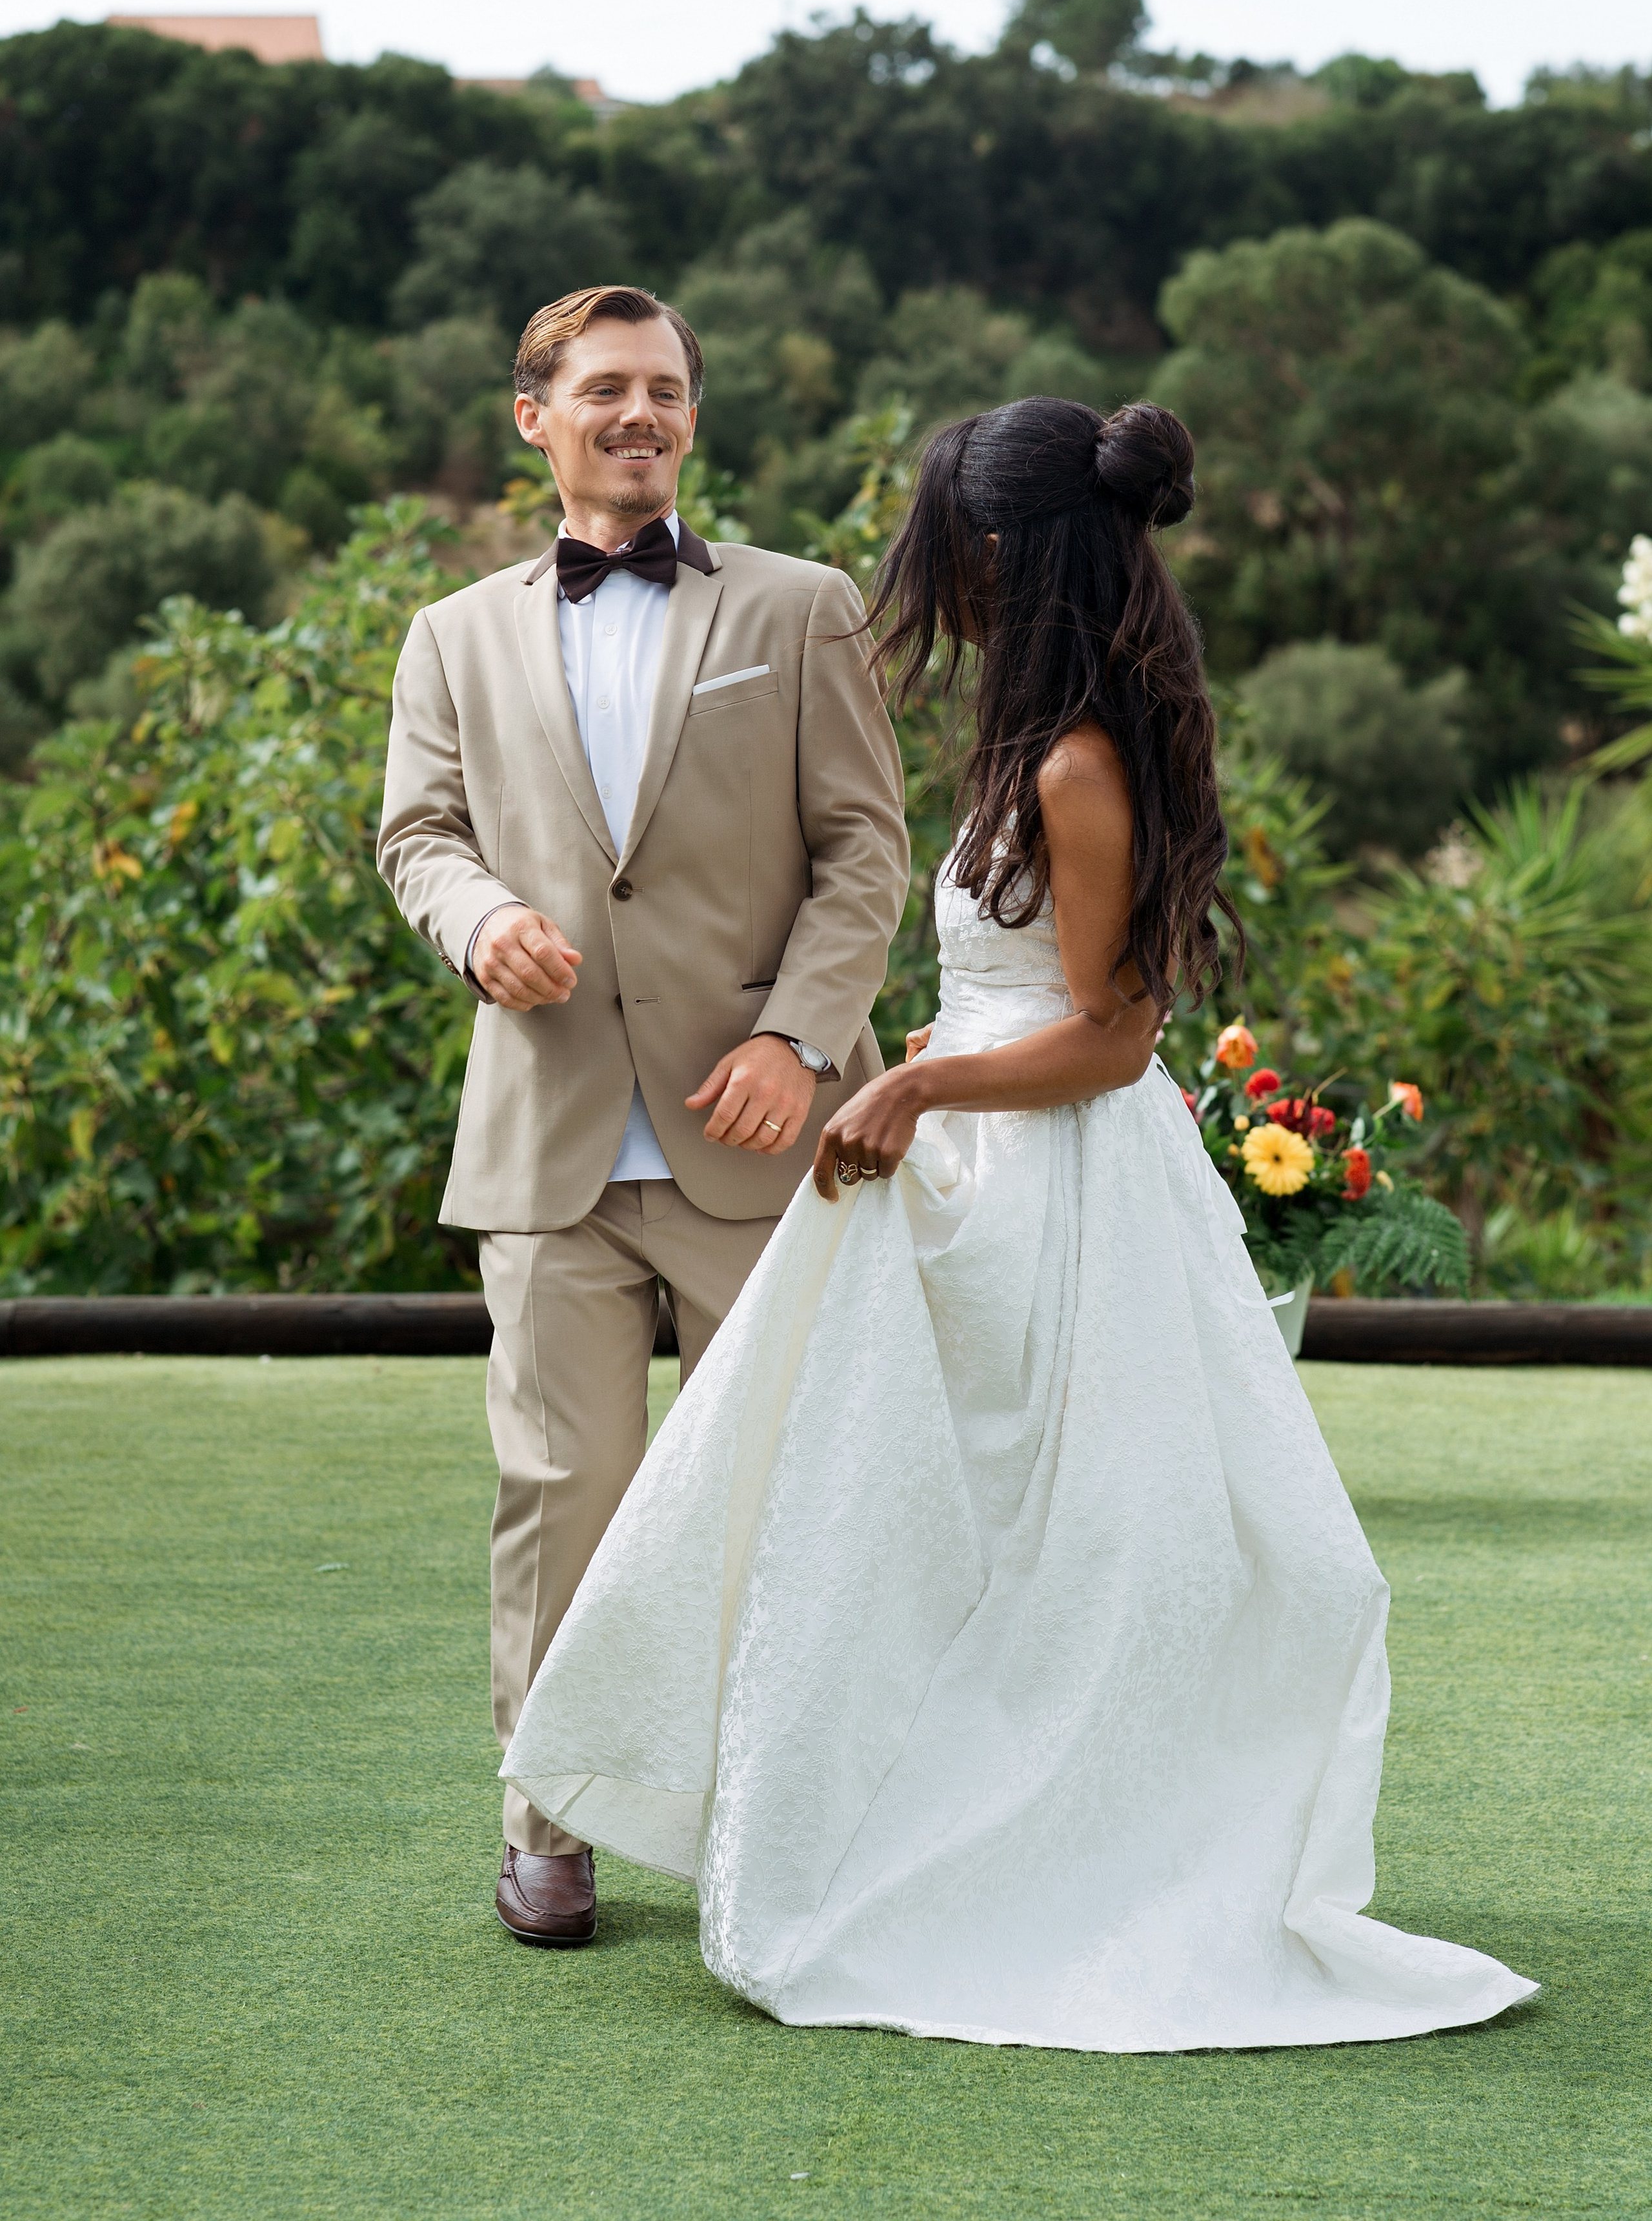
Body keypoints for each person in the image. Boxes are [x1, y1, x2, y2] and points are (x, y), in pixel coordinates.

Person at [501, 395, 1537, 2050]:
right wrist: (938, 1056)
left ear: (1000, 554)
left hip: (1052, 1191)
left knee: (1047, 1536)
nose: (933, 583)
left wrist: (910, 1093)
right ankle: (871, 1826)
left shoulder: (1074, 761)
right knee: (893, 1520)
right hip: (981, 1163)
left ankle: (1031, 1859)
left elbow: (1117, 1036)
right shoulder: (1042, 729)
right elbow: (1024, 997)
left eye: (946, 552)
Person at [378, 285, 909, 1947]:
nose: (640, 413)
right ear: (531, 415)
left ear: (690, 417)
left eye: (664, 389)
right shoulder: (451, 635)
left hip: (761, 1144)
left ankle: (790, 1815)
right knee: (563, 1498)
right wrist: (476, 923)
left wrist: (797, 1037)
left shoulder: (801, 607)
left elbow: (865, 853)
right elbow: (419, 835)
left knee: (785, 1501)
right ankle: (548, 1822)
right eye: (603, 388)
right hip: (547, 1148)